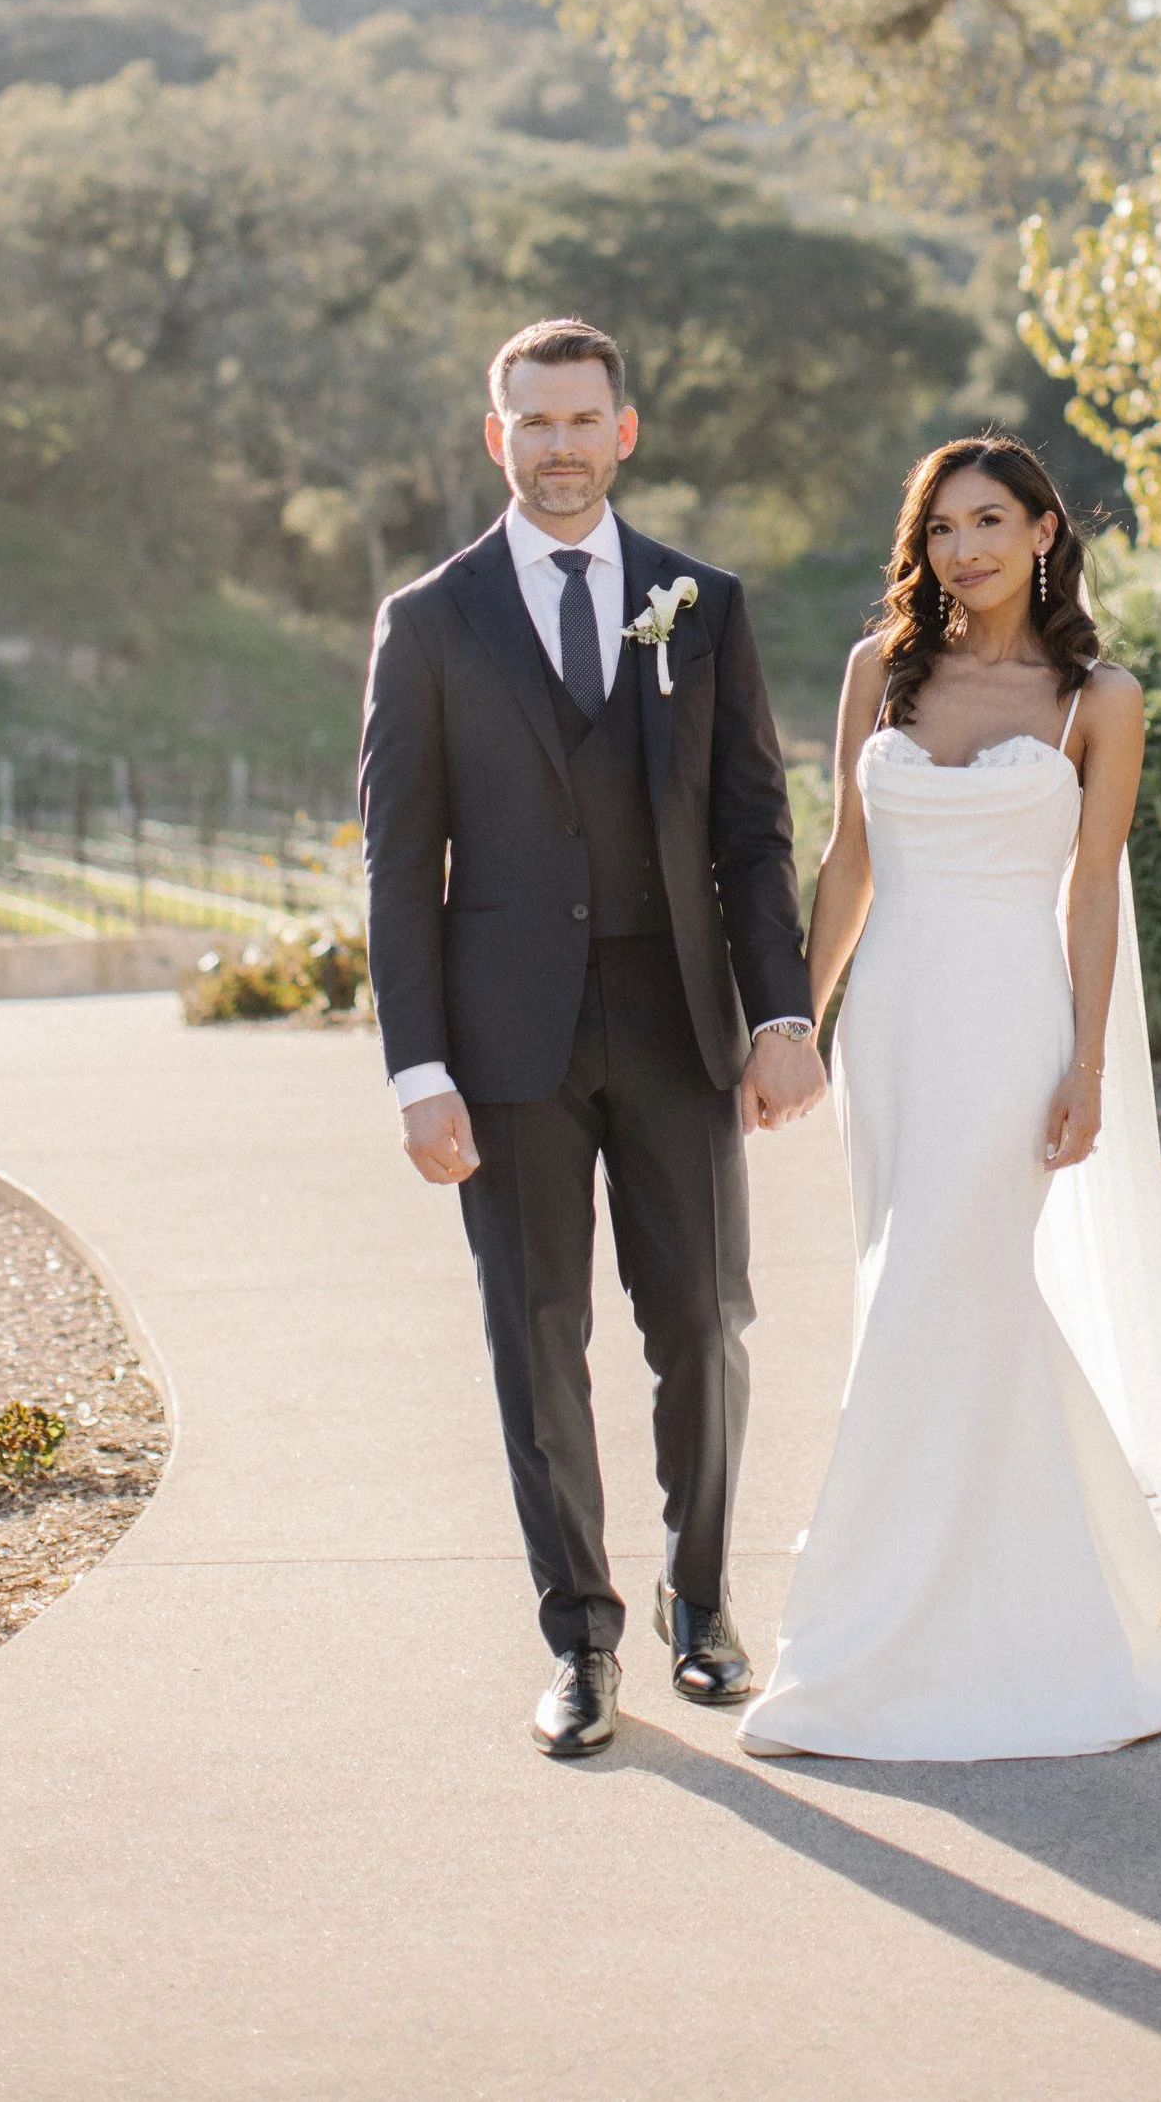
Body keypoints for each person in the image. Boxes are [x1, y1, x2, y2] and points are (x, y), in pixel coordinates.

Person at [742, 434, 1161, 1763]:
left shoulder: (1099, 696)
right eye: (940, 529)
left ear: (1047, 531)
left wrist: (1088, 1067)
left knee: (949, 1276)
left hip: (1007, 1027)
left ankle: (901, 1617)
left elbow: (1091, 889)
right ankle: (970, 1555)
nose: (964, 549)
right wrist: (796, 1025)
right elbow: (849, 861)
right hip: (896, 1031)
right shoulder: (882, 670)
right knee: (922, 1288)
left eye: (990, 521)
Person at [359, 316, 824, 1757]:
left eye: (583, 420)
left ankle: (702, 1607)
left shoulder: (705, 603)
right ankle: (579, 1639)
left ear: (624, 432)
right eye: (533, 423)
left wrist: (785, 1014)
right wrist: (419, 1069)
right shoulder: (429, 622)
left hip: (680, 1024)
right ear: (497, 439)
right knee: (535, 1334)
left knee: (703, 1320)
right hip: (507, 1050)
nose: (559, 447)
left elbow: (753, 834)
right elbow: (397, 862)